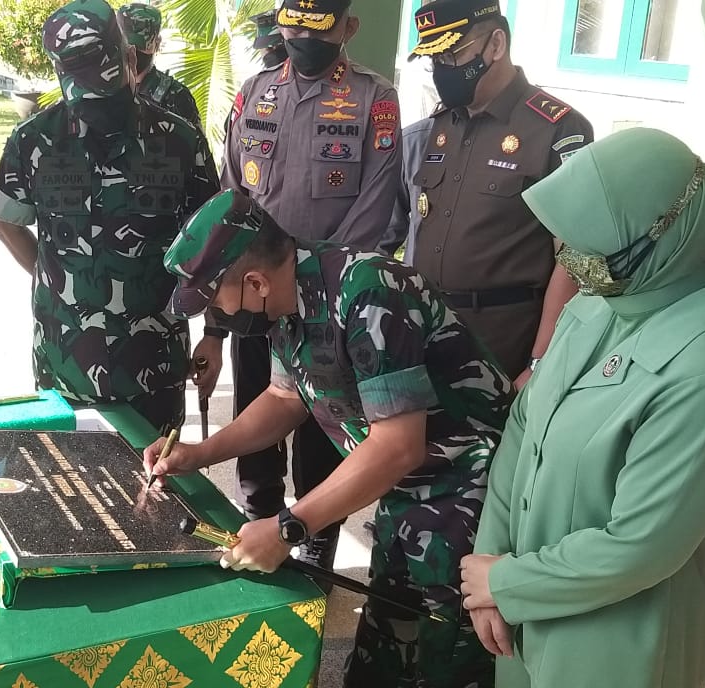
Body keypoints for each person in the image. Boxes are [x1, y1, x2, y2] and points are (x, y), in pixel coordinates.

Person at [149, 189, 512, 687]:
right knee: (381, 654)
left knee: (450, 658)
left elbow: (396, 445)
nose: (219, 314)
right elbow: (284, 399)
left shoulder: (369, 290)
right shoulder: (287, 299)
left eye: (217, 299)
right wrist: (200, 453)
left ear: (254, 282)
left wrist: (287, 528)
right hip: (403, 491)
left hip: (469, 493)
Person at [460, 127, 705, 688]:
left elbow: (640, 545)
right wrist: (489, 573)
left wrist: (506, 583)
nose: (573, 261)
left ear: (667, 236)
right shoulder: (599, 308)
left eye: (595, 247)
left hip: (617, 647)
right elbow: (523, 431)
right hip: (521, 616)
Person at [220, 0, 403, 571]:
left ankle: (315, 536)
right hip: (254, 297)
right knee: (258, 403)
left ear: (347, 29)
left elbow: (376, 208)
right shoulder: (254, 93)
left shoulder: (376, 100)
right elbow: (229, 200)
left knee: (324, 425)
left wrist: (306, 281)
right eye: (291, 26)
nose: (301, 38)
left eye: (316, 28)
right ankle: (256, 516)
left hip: (329, 304)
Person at [0, 0, 221, 437]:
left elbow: (212, 242)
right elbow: (5, 220)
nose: (97, 108)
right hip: (66, 362)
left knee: (156, 494)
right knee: (71, 490)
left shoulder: (179, 141)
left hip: (154, 362)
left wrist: (214, 333)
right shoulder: (33, 141)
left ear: (130, 59)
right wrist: (53, 276)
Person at [406, 0, 594, 388]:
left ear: (496, 44)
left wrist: (540, 361)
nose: (443, 69)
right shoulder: (442, 125)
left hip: (501, 340)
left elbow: (576, 257)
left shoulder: (556, 130)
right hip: (425, 330)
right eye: (434, 58)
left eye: (453, 54)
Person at [116, 3, 201, 128]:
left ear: (157, 43)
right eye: (126, 48)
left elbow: (197, 144)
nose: (133, 53)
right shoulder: (107, 90)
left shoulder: (177, 97)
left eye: (138, 47)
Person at [221, 9, 285, 140]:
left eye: (278, 47)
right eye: (267, 48)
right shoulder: (251, 88)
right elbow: (230, 129)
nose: (270, 52)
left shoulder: (308, 83)